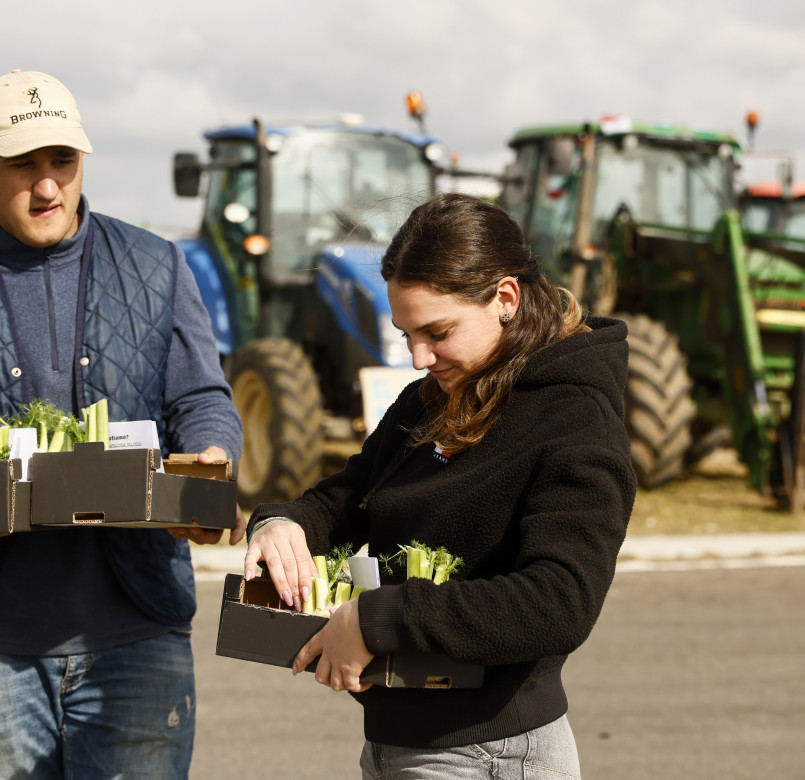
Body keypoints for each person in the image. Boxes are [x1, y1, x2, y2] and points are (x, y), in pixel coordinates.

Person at [0, 69, 244, 778]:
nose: (48, 186)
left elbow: (201, 399)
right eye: (23, 164)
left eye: (62, 160)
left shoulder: (158, 266)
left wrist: (212, 456)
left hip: (136, 632)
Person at [243, 192, 637, 778]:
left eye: (438, 332)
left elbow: (560, 602)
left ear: (505, 298)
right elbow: (350, 496)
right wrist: (284, 524)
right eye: (406, 335)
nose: (419, 357)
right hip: (395, 743)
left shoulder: (575, 418)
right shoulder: (432, 397)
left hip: (487, 752)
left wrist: (379, 619)